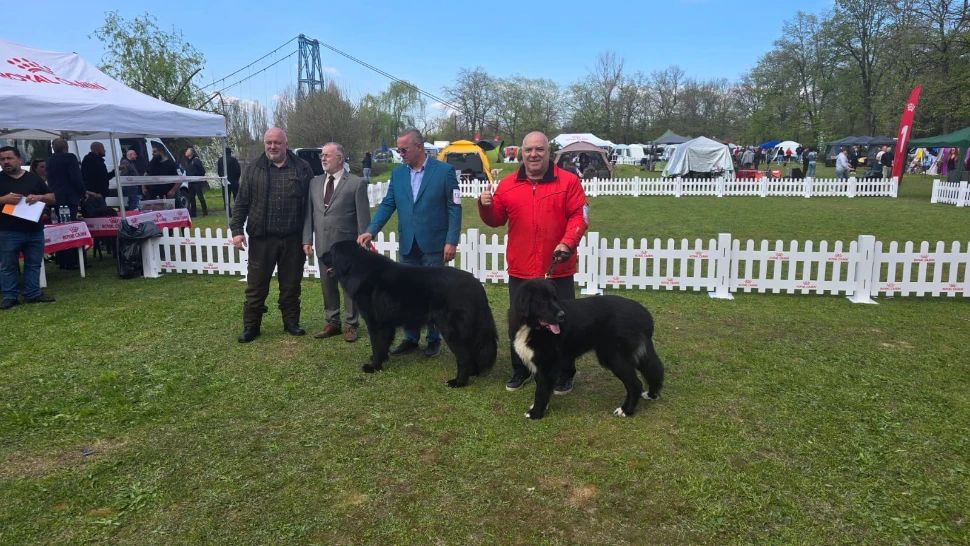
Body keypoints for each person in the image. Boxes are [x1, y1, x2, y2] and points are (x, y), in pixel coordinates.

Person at [478, 131, 589, 394]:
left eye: (539, 149)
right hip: (522, 270)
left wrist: (567, 243)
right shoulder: (508, 184)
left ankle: (564, 372)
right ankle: (521, 369)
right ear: (521, 153)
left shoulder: (568, 182)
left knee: (561, 322)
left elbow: (579, 217)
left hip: (557, 269)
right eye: (528, 150)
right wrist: (485, 206)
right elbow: (496, 219)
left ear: (548, 152)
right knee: (519, 322)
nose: (533, 154)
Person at [356, 128, 461, 358]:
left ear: (419, 146)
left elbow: (454, 207)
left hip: (434, 244)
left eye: (404, 150)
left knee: (433, 293)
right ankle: (411, 338)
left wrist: (451, 241)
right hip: (407, 244)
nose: (400, 154)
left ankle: (433, 339)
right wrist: (371, 231)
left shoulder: (444, 172)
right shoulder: (398, 174)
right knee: (407, 293)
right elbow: (388, 204)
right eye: (399, 150)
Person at [230, 128, 313, 343]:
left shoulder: (302, 168)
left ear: (286, 144)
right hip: (262, 238)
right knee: (256, 286)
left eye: (277, 142)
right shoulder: (253, 169)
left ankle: (291, 322)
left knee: (291, 285)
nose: (272, 146)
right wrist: (237, 231)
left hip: (293, 238)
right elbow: (241, 202)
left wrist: (308, 236)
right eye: (269, 142)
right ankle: (251, 327)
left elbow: (310, 205)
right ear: (264, 144)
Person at [302, 142, 370, 342]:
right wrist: (307, 239)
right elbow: (309, 214)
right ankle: (332, 322)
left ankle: (351, 324)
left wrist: (363, 242)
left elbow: (363, 217)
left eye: (327, 155)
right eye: (322, 155)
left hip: (348, 248)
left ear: (340, 158)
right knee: (327, 285)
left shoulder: (356, 183)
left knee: (350, 286)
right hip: (323, 244)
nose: (323, 158)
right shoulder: (314, 183)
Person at [0, 146, 56, 309]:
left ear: (19, 159)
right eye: (2, 159)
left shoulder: (33, 178)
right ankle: (10, 296)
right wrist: (3, 200)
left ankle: (33, 293)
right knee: (8, 266)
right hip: (8, 230)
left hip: (34, 230)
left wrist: (40, 197)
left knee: (34, 263)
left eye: (9, 158)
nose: (5, 162)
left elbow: (52, 198)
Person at [45, 138, 85, 269]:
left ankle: (62, 259)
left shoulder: (50, 160)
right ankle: (72, 260)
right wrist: (82, 192)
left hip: (56, 197)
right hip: (69, 197)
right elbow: (76, 178)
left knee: (59, 228)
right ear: (66, 146)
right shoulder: (70, 158)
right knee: (70, 228)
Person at [182, 146, 208, 217]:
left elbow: (202, 171)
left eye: (187, 151)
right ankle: (193, 213)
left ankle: (205, 212)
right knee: (191, 198)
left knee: (200, 197)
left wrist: (197, 177)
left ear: (191, 152)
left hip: (197, 182)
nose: (185, 152)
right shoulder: (187, 161)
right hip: (190, 182)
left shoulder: (196, 160)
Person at [217, 147, 242, 213]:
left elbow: (219, 171)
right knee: (236, 197)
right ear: (230, 152)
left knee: (226, 198)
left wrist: (222, 178)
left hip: (225, 181)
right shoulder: (234, 160)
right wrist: (237, 178)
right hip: (234, 181)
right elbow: (238, 170)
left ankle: (228, 212)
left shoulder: (220, 160)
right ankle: (237, 211)